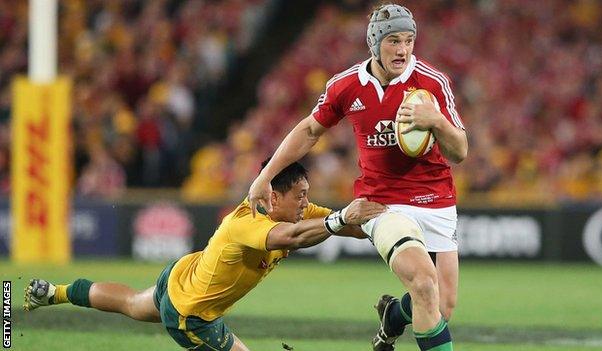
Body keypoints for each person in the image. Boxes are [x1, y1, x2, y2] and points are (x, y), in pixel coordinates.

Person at [248, 4, 467, 351]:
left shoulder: (431, 82)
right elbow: (308, 130)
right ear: (375, 42)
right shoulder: (346, 85)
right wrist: (266, 177)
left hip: (436, 200)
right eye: (394, 40)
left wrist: (437, 121)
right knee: (425, 284)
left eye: (409, 40)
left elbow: (460, 151)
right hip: (382, 206)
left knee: (443, 305)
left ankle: (393, 317)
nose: (403, 49)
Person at [24, 159, 386, 351]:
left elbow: (345, 225)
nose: (307, 202)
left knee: (133, 304)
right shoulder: (248, 222)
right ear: (274, 197)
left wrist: (386, 230)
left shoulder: (296, 211)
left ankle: (50, 293)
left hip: (181, 276)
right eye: (300, 195)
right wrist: (341, 219)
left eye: (307, 193)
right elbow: (290, 237)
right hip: (193, 314)